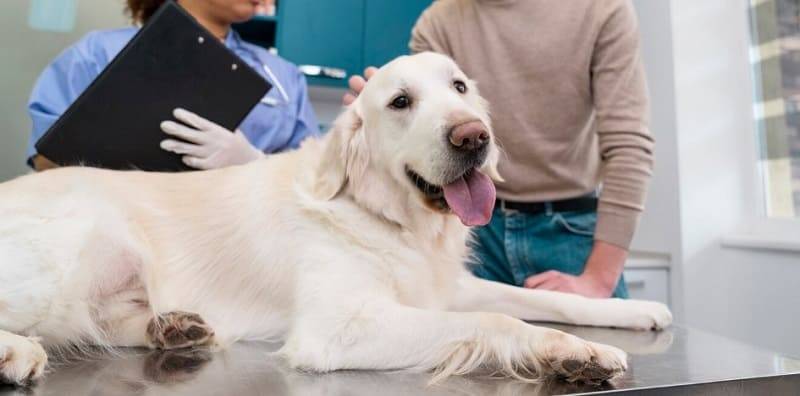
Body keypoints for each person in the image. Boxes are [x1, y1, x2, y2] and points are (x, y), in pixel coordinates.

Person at [345, 0, 652, 299]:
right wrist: (385, 110)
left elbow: (629, 147)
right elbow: (428, 133)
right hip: (474, 234)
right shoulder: (438, 20)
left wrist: (598, 279)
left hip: (571, 233)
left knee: (606, 348)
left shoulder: (602, 8)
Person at [27, 0, 319, 171]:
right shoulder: (97, 53)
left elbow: (312, 181)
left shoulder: (284, 77)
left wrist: (254, 165)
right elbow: (47, 162)